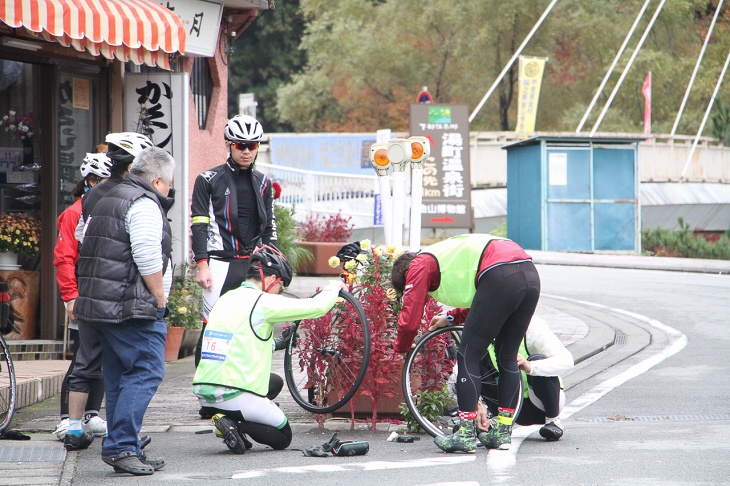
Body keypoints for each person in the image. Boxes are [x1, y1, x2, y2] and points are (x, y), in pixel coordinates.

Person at [74, 147, 174, 476]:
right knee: (146, 371)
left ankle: (121, 446)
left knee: (118, 376)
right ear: (158, 179)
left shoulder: (107, 196)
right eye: (169, 184)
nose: (169, 191)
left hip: (98, 304)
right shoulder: (143, 203)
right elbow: (146, 254)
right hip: (128, 306)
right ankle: (121, 445)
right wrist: (160, 297)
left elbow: (81, 237)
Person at [391, 233, 540, 453]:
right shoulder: (449, 257)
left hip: (499, 273)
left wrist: (401, 346)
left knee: (468, 354)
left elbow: (411, 316)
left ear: (406, 273)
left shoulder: (419, 263)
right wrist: (449, 318)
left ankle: (466, 434)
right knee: (507, 356)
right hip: (528, 274)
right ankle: (502, 433)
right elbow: (484, 301)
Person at [192, 246, 345, 454]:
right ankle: (233, 424)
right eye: (281, 285)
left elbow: (237, 340)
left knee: (274, 383)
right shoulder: (263, 302)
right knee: (283, 436)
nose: (280, 291)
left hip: (204, 390)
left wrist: (276, 343)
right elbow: (316, 307)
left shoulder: (225, 298)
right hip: (232, 392)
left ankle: (224, 417)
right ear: (271, 277)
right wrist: (333, 288)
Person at [64, 132, 155, 452]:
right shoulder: (133, 196)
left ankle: (77, 428)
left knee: (88, 360)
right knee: (126, 366)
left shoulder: (93, 194)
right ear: (133, 166)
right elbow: (143, 250)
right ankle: (114, 436)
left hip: (90, 290)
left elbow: (80, 240)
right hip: (117, 294)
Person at [191, 114, 278, 370]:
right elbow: (199, 224)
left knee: (252, 326)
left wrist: (273, 267)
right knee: (213, 328)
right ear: (229, 144)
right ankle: (206, 396)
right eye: (240, 145)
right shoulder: (207, 179)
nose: (247, 151)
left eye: (252, 145)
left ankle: (242, 387)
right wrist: (202, 264)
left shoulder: (263, 182)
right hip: (219, 262)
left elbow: (269, 228)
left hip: (252, 264)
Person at [431, 312, 573, 442]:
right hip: (511, 408)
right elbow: (460, 373)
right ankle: (487, 422)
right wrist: (476, 403)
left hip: (542, 403)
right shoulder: (485, 330)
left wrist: (530, 366)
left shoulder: (532, 326)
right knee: (473, 363)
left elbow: (567, 360)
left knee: (538, 358)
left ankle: (554, 421)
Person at [52, 152, 112, 442]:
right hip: (82, 294)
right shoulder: (75, 212)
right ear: (91, 181)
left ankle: (91, 414)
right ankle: (67, 418)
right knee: (82, 357)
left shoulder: (108, 210)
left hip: (103, 295)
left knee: (101, 355)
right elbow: (63, 258)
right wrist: (70, 296)